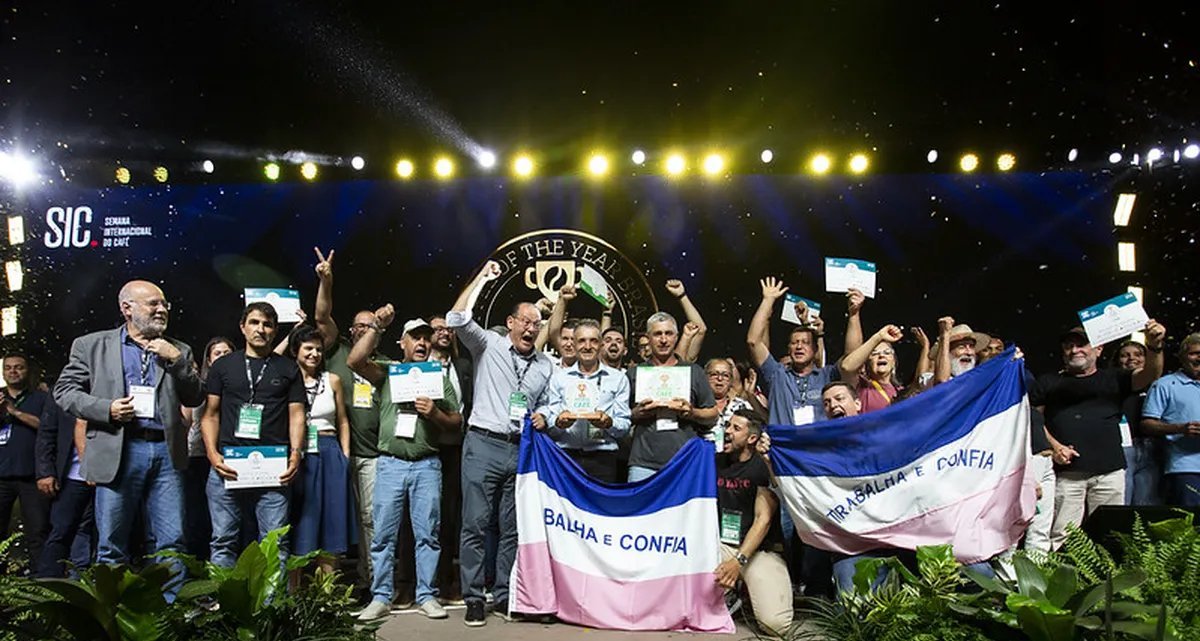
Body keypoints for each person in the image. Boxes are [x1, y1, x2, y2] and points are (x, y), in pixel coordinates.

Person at [54, 280, 204, 599]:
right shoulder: (91, 346)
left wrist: (176, 360)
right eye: (153, 304)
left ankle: (168, 614)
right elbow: (64, 392)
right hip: (119, 450)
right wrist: (105, 408)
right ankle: (113, 614)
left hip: (166, 452)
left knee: (173, 541)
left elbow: (193, 398)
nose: (161, 309)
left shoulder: (179, 348)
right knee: (111, 542)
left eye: (164, 304)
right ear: (127, 309)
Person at [446, 260, 555, 626]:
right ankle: (474, 597)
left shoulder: (543, 366)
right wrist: (481, 277)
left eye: (537, 324)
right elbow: (457, 318)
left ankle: (505, 594)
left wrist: (547, 416)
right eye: (525, 321)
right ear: (510, 323)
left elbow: (549, 404)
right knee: (475, 524)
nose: (531, 327)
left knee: (512, 528)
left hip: (520, 450)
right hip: (483, 444)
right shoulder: (488, 345)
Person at [354, 316, 462, 621]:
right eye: (415, 337)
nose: (423, 343)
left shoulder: (437, 378)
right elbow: (355, 359)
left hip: (427, 465)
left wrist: (435, 414)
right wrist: (376, 327)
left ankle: (427, 595)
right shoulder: (388, 371)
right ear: (402, 342)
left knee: (428, 534)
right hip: (390, 464)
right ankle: (381, 597)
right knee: (384, 536)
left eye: (426, 338)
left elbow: (456, 421)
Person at [1033, 322, 1166, 550]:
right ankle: (1062, 583)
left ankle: (1106, 585)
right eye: (1069, 346)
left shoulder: (1115, 378)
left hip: (1110, 472)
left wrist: (1154, 347)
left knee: (1110, 535)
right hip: (1068, 473)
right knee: (1062, 536)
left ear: (1099, 348)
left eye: (1082, 344)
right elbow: (1034, 419)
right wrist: (1054, 447)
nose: (1075, 350)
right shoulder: (1048, 381)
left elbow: (1150, 374)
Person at [201, 302, 306, 568]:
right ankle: (226, 606)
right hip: (228, 464)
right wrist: (212, 455)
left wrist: (295, 454)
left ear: (274, 330)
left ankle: (270, 609)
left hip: (273, 467)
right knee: (223, 539)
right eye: (255, 322)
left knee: (274, 543)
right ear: (243, 327)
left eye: (268, 324)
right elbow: (211, 414)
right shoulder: (223, 366)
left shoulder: (288, 368)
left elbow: (296, 415)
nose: (261, 329)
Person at [309, 247, 386, 587]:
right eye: (357, 326)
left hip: (370, 454)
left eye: (369, 326)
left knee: (370, 519)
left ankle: (370, 580)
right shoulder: (335, 351)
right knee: (332, 516)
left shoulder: (382, 364)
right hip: (335, 452)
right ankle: (330, 584)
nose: (361, 330)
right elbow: (322, 318)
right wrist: (326, 282)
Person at [714, 409, 792, 636]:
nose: (727, 432)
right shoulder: (714, 461)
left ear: (752, 439)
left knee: (776, 626)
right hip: (720, 544)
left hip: (759, 551)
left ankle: (746, 593)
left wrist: (738, 561)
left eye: (736, 428)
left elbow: (763, 519)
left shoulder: (762, 466)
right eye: (727, 425)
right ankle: (731, 592)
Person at [290, 324, 354, 575]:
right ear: (296, 350)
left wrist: (345, 455)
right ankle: (294, 596)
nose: (314, 354)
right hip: (299, 453)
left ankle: (326, 597)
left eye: (318, 349)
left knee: (332, 523)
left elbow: (343, 420)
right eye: (308, 348)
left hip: (329, 450)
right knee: (301, 521)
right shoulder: (286, 377)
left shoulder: (332, 380)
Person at [626, 311, 718, 482]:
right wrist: (637, 413)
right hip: (643, 463)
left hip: (685, 461)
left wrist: (691, 412)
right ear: (648, 338)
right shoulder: (634, 373)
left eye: (668, 334)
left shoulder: (693, 371)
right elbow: (620, 417)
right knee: (642, 509)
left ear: (676, 337)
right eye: (657, 334)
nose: (663, 339)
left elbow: (712, 415)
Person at [543, 319, 632, 483]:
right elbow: (549, 423)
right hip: (565, 456)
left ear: (601, 345)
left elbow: (624, 425)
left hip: (603, 458)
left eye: (593, 341)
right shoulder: (559, 379)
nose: (587, 346)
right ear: (574, 344)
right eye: (582, 341)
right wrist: (558, 423)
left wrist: (609, 423)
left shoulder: (618, 379)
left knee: (602, 507)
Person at [746, 277, 840, 426]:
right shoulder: (777, 374)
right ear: (788, 349)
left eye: (805, 343)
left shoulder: (827, 375)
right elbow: (753, 341)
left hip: (817, 447)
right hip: (785, 448)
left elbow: (850, 358)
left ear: (815, 350)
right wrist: (768, 300)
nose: (799, 346)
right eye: (794, 343)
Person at [429, 313, 473, 603]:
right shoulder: (416, 368)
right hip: (427, 447)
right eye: (438, 329)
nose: (444, 332)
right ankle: (421, 582)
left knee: (451, 517)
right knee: (427, 517)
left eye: (448, 329)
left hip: (457, 448)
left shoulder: (464, 366)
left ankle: (447, 580)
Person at [180, 337, 235, 561]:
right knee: (196, 514)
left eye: (227, 352)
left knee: (224, 518)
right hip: (198, 456)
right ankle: (197, 568)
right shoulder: (200, 386)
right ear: (209, 360)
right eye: (218, 353)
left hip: (226, 457)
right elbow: (185, 419)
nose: (223, 357)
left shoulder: (237, 384)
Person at [34, 389, 93, 578]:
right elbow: (47, 432)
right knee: (61, 530)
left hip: (111, 474)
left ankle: (83, 582)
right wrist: (45, 472)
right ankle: (49, 587)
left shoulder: (118, 380)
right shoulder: (64, 388)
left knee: (97, 532)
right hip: (72, 475)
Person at [0, 353, 50, 569]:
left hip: (31, 475)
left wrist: (14, 412)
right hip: (1, 476)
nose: (13, 371)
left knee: (37, 531)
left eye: (18, 367)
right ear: (2, 372)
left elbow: (47, 427)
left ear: (27, 371)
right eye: (8, 368)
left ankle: (43, 583)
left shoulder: (40, 398)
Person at [1140, 333, 1200, 506]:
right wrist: (1180, 428)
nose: (1199, 357)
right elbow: (1146, 424)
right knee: (1190, 525)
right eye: (1194, 353)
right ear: (1182, 357)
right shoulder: (1164, 384)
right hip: (1185, 467)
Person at [1112, 340, 1163, 505]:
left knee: (1146, 502)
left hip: (1152, 447)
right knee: (1122, 500)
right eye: (1125, 355)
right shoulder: (1112, 383)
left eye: (1138, 354)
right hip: (1123, 447)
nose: (1131, 358)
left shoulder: (1160, 386)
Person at [704, 358, 754, 450]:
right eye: (714, 374)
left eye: (725, 375)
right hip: (703, 459)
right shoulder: (696, 405)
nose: (720, 379)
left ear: (731, 381)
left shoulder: (742, 406)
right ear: (704, 378)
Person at [664, 279, 708, 363]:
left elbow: (699, 329)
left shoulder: (678, 360)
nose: (663, 339)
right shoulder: (634, 370)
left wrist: (682, 296)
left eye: (668, 334)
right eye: (643, 346)